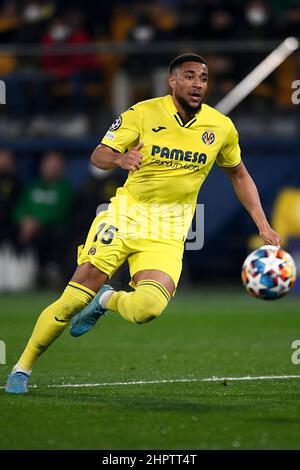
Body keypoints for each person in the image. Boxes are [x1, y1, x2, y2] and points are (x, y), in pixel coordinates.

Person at [6, 53, 280, 393]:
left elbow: (239, 174)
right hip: (125, 218)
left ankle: (106, 301)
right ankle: (22, 368)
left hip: (167, 233)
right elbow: (98, 155)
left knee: (147, 310)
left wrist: (262, 224)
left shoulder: (220, 127)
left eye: (204, 78)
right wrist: (121, 157)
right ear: (173, 81)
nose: (198, 84)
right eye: (191, 76)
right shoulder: (142, 113)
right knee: (71, 300)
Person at [13, 151, 74, 285]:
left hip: (52, 232)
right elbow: (20, 208)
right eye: (49, 164)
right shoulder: (32, 186)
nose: (52, 168)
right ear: (42, 166)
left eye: (56, 165)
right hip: (27, 230)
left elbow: (61, 212)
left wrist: (37, 222)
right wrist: (25, 220)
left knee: (51, 235)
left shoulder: (65, 189)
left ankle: (49, 270)